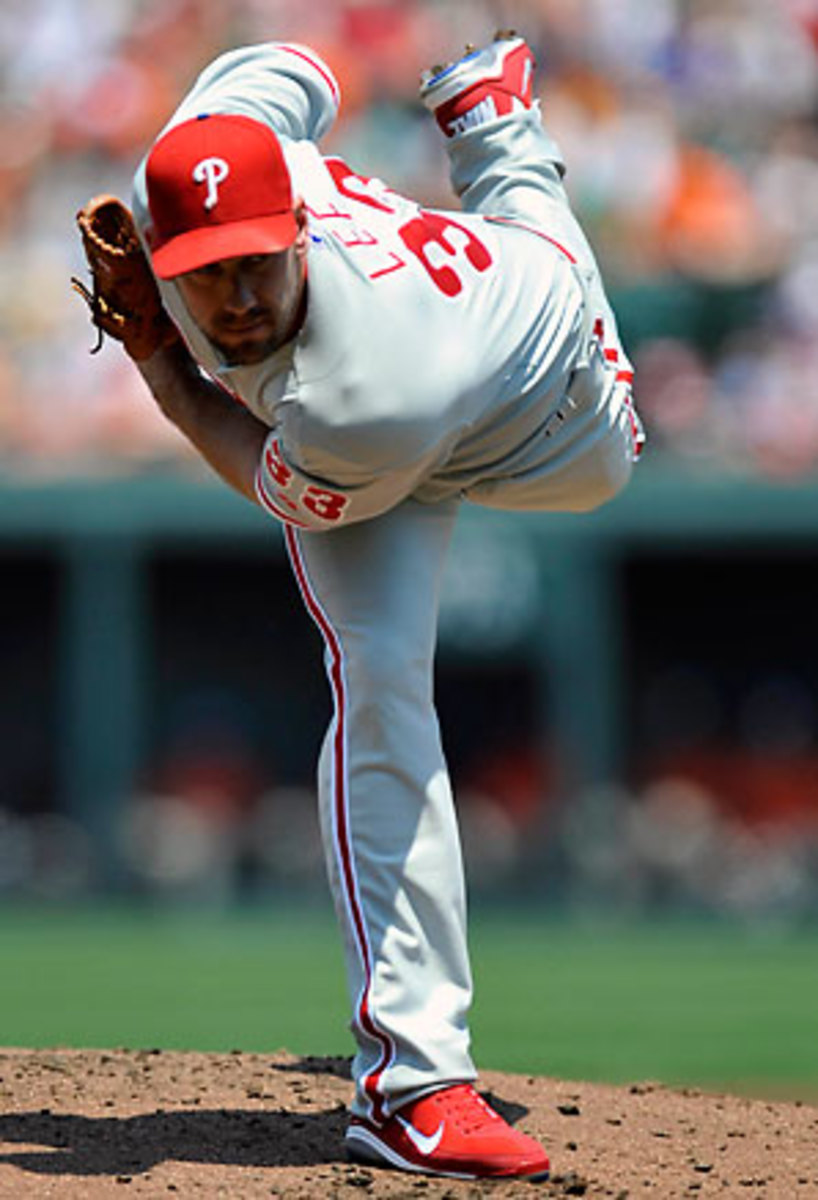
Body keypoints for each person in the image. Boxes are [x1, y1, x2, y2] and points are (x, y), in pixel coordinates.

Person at [76, 32, 643, 1183]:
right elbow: (294, 64)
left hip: (544, 398)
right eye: (204, 268)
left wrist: (160, 364)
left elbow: (270, 475)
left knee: (561, 309)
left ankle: (495, 124)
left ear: (298, 232)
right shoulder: (179, 167)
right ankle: (415, 1087)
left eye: (255, 264)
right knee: (378, 685)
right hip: (388, 405)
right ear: (164, 232)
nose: (231, 297)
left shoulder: (362, 391)